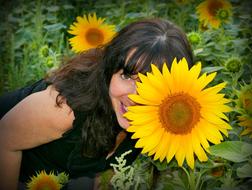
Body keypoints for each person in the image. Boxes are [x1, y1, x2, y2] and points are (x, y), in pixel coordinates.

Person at [0, 18, 193, 190]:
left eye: (152, 85)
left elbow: (107, 171)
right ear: (109, 70)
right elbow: (4, 138)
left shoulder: (154, 121)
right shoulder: (66, 107)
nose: (135, 97)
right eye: (126, 76)